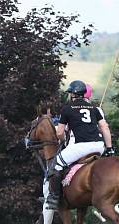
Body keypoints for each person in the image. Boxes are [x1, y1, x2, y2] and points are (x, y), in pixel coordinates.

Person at [44, 80, 114, 209]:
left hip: (81, 146)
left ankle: (54, 198)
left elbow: (59, 132)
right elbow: (104, 127)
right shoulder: (94, 108)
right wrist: (109, 148)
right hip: (99, 146)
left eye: (70, 93)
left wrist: (63, 139)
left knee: (56, 164)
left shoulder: (67, 108)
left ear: (73, 94)